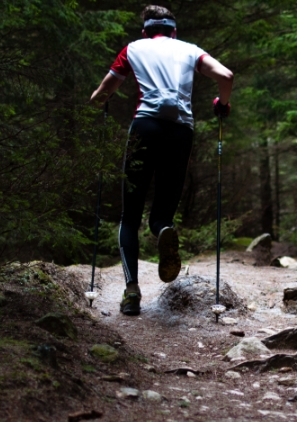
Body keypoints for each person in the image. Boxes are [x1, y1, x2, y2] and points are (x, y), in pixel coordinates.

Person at [90, 5, 234, 315]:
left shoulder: (133, 48)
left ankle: (131, 292)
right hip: (181, 132)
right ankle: (163, 230)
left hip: (145, 127)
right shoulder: (190, 50)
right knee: (162, 215)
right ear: (174, 31)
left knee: (130, 214)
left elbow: (104, 90)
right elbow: (226, 75)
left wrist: (98, 101)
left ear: (145, 31)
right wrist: (222, 103)